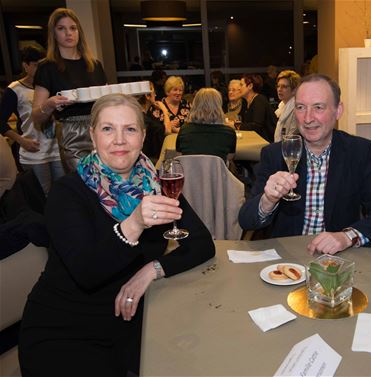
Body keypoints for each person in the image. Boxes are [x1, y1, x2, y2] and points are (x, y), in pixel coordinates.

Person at [18, 94, 215, 376]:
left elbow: (201, 244)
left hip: (131, 323)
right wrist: (134, 224)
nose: (119, 140)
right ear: (92, 135)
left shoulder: (155, 185)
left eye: (130, 129)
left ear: (143, 136)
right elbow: (87, 271)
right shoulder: (68, 193)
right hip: (66, 330)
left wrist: (151, 270)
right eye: (108, 129)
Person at [238, 74, 371, 255]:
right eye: (301, 107)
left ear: (338, 111)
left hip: (340, 258)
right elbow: (246, 220)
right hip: (288, 259)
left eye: (318, 107)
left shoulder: (360, 152)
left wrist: (347, 237)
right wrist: (267, 200)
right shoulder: (275, 154)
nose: (308, 118)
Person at [31, 8, 107, 173]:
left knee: (108, 182)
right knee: (84, 183)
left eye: (73, 28)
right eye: (61, 28)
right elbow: (36, 116)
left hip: (101, 130)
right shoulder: (47, 68)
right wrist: (49, 104)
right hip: (71, 134)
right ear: (54, 34)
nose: (68, 33)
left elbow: (106, 102)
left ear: (79, 31)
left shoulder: (95, 65)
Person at [0, 46, 64, 195]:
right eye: (36, 65)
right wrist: (21, 141)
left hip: (56, 149)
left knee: (63, 192)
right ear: (26, 65)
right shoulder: (15, 90)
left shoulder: (51, 85)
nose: (41, 69)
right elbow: (1, 122)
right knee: (42, 196)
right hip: (34, 152)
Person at [176, 88, 236, 162]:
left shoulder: (184, 130)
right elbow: (229, 158)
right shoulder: (229, 133)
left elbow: (179, 156)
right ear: (219, 106)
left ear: (195, 105)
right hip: (217, 173)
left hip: (191, 173)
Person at [239, 73, 277, 142]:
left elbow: (256, 126)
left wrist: (236, 125)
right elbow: (243, 121)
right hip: (254, 140)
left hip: (266, 142)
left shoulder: (259, 100)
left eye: (241, 85)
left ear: (250, 86)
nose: (239, 88)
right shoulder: (245, 102)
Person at [139, 81, 170, 163]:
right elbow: (167, 130)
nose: (155, 95)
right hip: (149, 161)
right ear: (147, 96)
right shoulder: (145, 119)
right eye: (154, 93)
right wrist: (164, 110)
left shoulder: (139, 115)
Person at [273, 70, 301, 142]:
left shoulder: (298, 109)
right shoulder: (282, 106)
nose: (279, 89)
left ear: (294, 90)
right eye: (278, 86)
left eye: (284, 86)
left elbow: (292, 138)